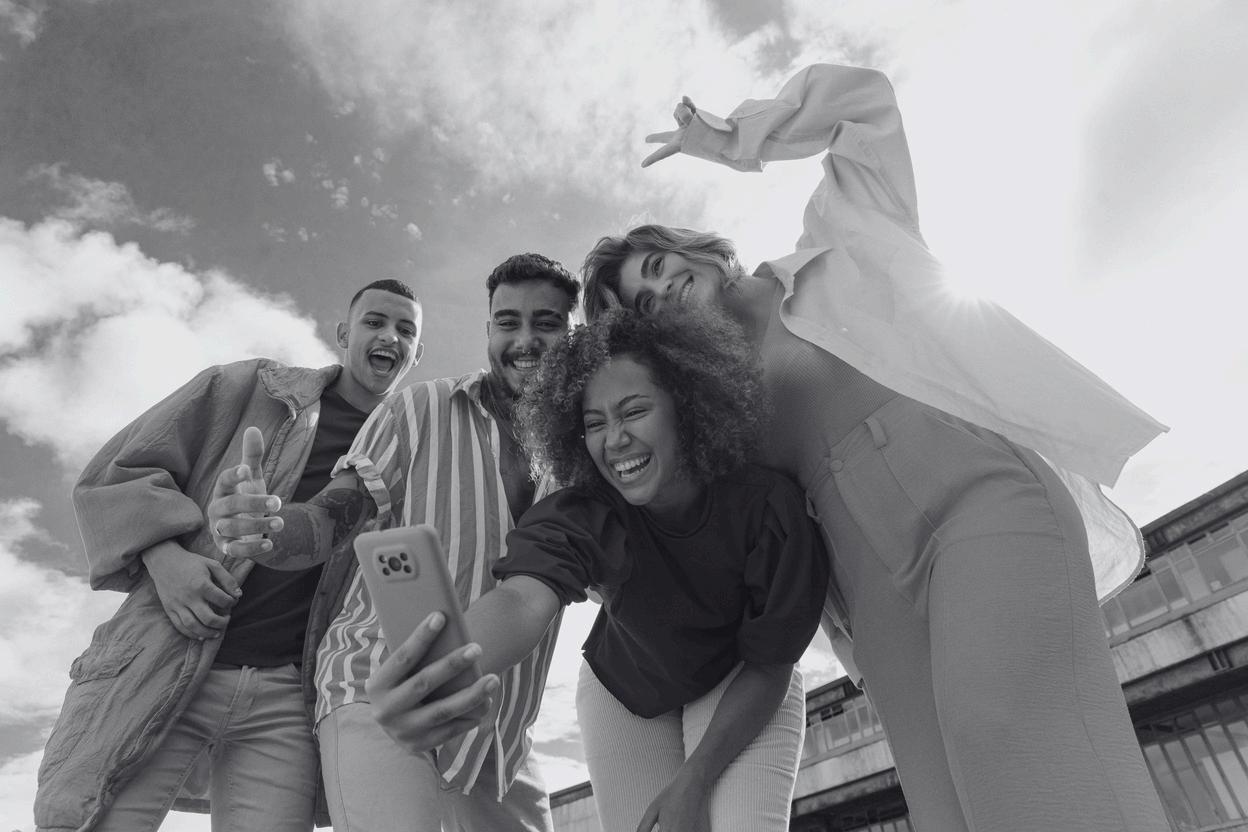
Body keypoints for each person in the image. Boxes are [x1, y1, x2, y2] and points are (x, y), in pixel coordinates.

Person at [577, 65, 1172, 831]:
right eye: (644, 304)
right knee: (941, 797)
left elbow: (864, 107)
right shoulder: (716, 416)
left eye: (659, 269)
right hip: (869, 582)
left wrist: (729, 138)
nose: (661, 292)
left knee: (1001, 728)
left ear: (701, 251)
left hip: (976, 496)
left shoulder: (839, 243)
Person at [373, 306, 828, 832]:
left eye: (634, 411)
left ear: (686, 405)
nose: (614, 440)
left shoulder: (769, 508)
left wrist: (694, 780)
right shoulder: (585, 511)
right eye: (594, 424)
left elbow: (770, 664)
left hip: (742, 679)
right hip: (625, 693)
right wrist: (441, 674)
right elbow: (522, 599)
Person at [34, 279, 424, 832]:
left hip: (290, 695)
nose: (389, 337)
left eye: (405, 330)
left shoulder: (410, 444)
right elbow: (113, 477)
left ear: (417, 354)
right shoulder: (250, 387)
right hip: (168, 655)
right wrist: (165, 559)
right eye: (375, 322)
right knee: (84, 820)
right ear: (344, 334)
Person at [208, 253, 580, 832]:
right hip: (374, 685)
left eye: (547, 323)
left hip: (501, 735)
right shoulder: (420, 406)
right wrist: (272, 530)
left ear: (574, 335)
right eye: (508, 322)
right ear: (488, 331)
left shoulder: (585, 455)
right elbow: (334, 515)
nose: (524, 340)